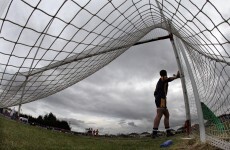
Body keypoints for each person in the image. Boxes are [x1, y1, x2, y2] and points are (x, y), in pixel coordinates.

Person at [152, 70, 180, 138]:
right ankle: (154, 133)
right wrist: (176, 77)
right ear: (165, 74)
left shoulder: (162, 80)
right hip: (160, 98)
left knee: (166, 114)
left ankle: (168, 132)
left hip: (162, 98)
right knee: (159, 114)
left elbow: (168, 79)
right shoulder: (162, 78)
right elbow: (168, 79)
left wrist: (174, 77)